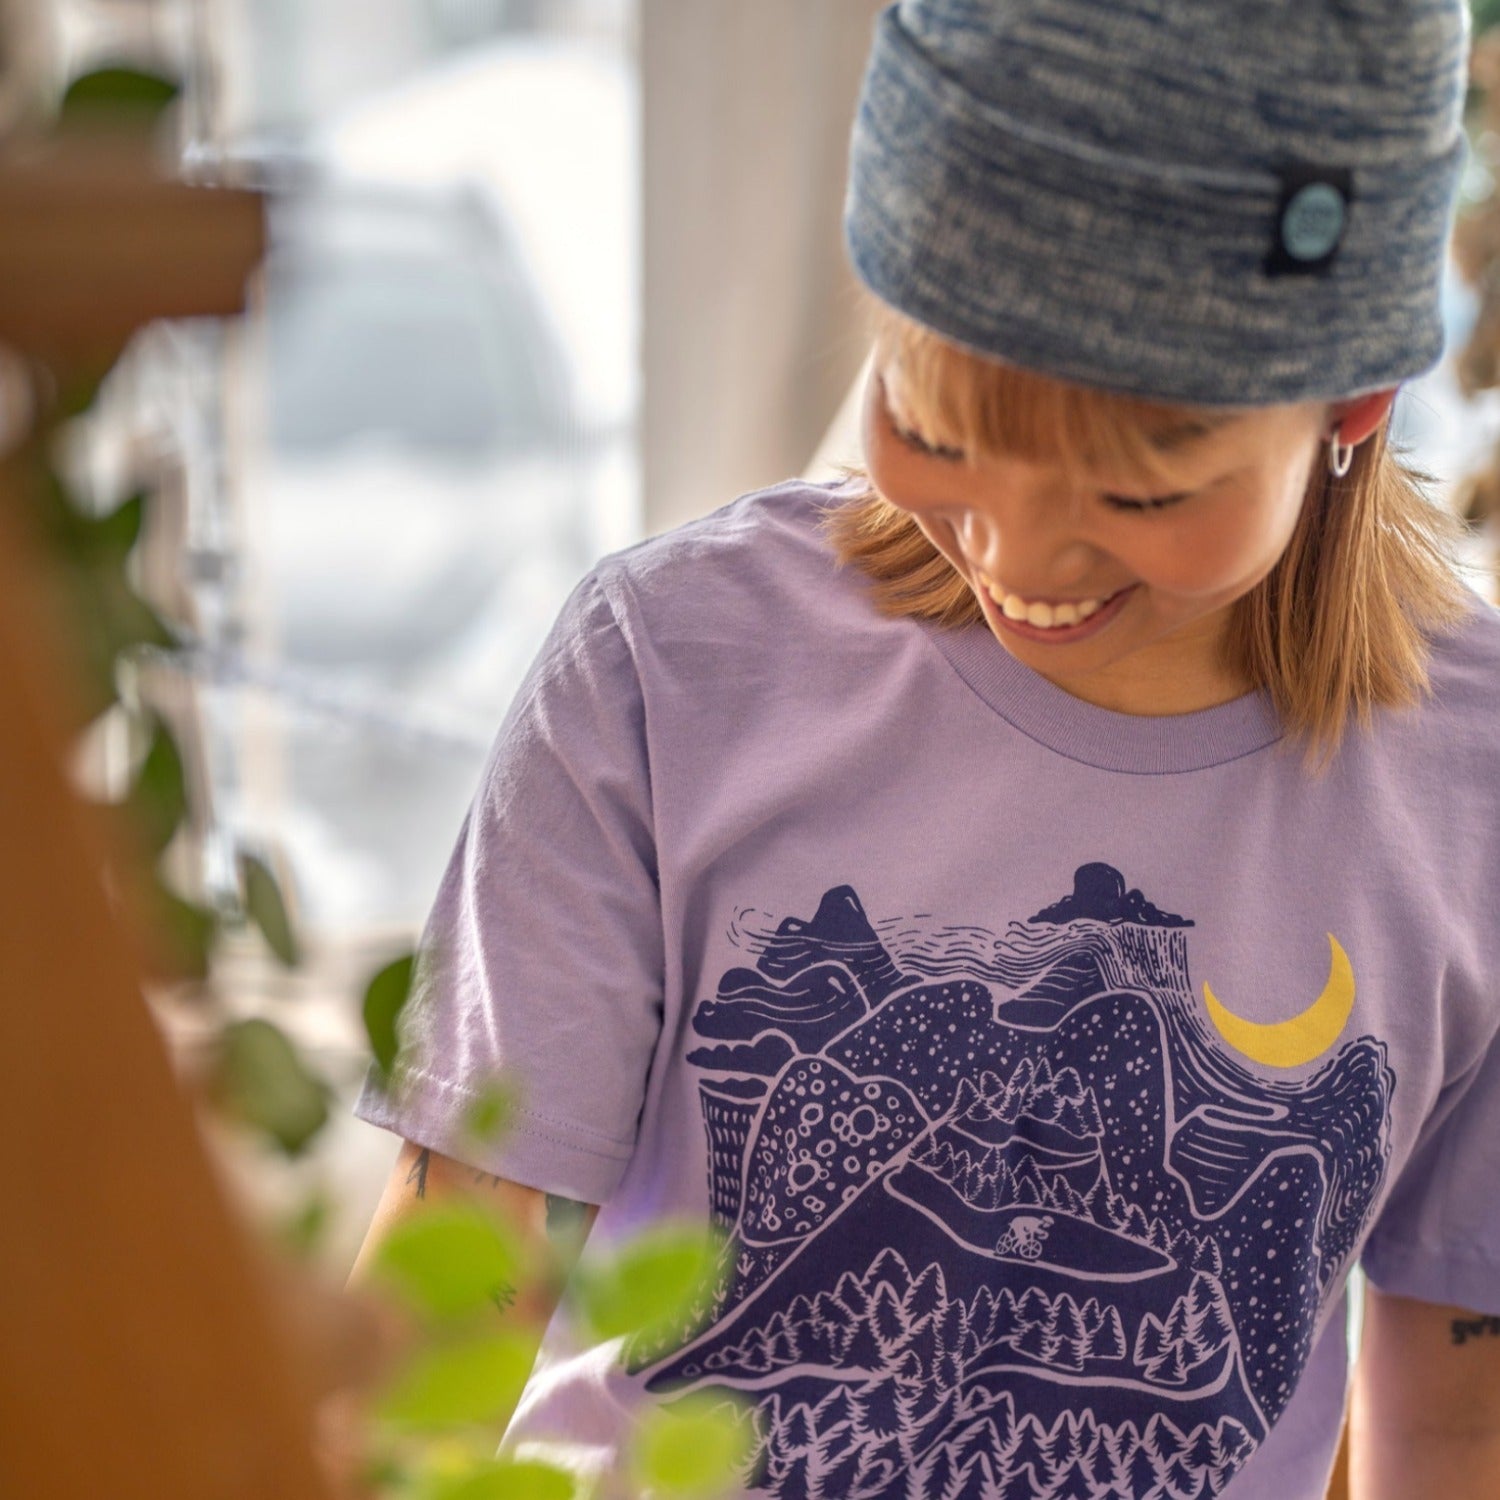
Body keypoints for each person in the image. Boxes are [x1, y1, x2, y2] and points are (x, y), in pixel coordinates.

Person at [350, 1, 1500, 1496]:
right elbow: (451, 1293)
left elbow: (1458, 1426)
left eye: (1140, 492)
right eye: (939, 430)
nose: (1016, 555)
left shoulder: (1472, 783)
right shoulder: (672, 667)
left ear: (1357, 394)